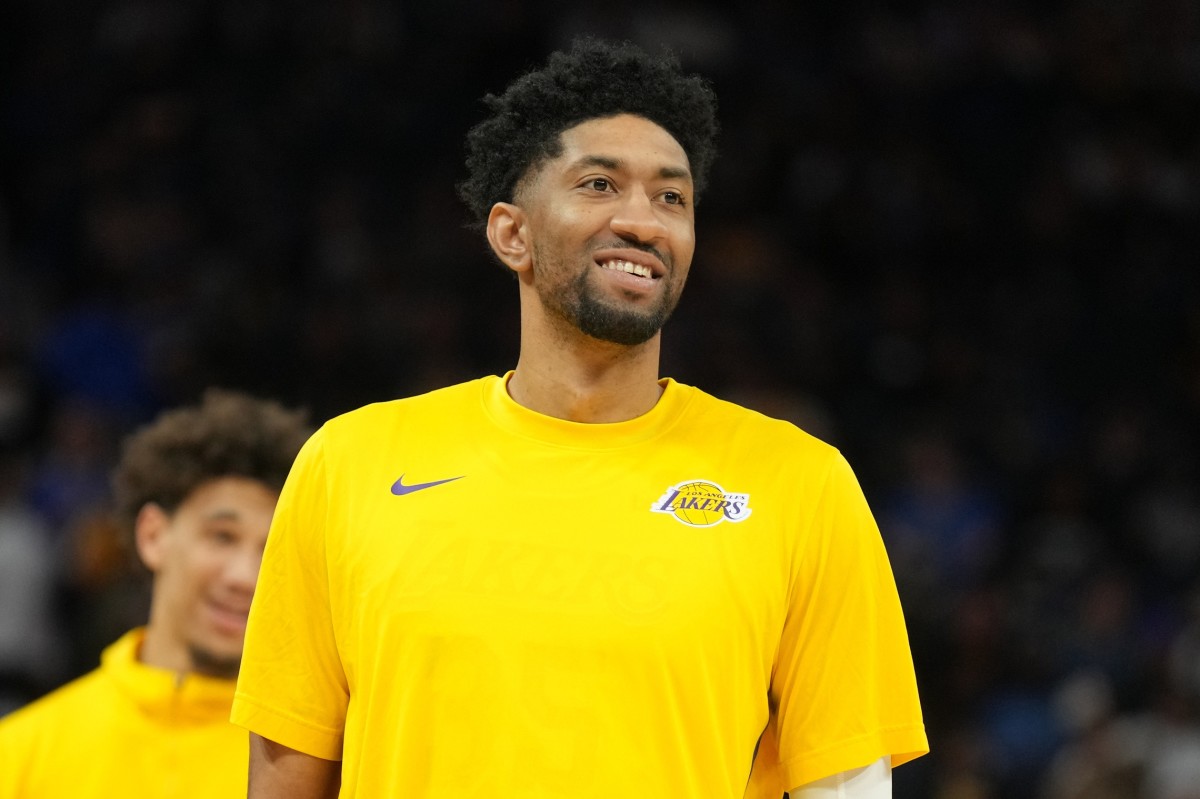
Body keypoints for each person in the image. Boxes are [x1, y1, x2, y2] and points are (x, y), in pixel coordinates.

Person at [231, 38, 928, 799]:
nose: (644, 221)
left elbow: (845, 785)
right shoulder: (350, 463)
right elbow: (290, 768)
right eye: (599, 184)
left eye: (672, 197)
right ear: (512, 234)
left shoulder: (802, 485)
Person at [0, 389, 310, 798]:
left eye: (272, 552)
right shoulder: (21, 753)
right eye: (222, 537)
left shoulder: (317, 768)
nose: (247, 577)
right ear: (153, 535)